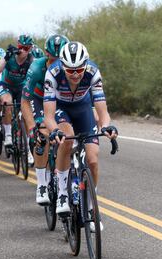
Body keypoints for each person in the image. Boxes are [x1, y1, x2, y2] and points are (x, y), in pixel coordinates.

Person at [43, 42, 118, 221]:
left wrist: (106, 126)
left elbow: (102, 110)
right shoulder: (52, 74)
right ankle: (62, 194)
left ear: (86, 64)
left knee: (92, 159)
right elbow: (48, 116)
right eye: (70, 71)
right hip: (61, 109)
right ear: (62, 66)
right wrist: (54, 131)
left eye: (79, 69)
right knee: (67, 140)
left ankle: (92, 208)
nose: (75, 74)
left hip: (83, 109)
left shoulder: (93, 72)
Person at [21, 34, 69, 204]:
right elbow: (25, 101)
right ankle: (41, 183)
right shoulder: (36, 67)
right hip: (38, 101)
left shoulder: (69, 67)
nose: (56, 62)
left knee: (67, 134)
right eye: (53, 58)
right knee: (43, 135)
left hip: (59, 102)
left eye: (60, 59)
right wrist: (32, 127)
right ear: (46, 55)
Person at [0, 34, 35, 164]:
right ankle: (8, 136)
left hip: (21, 87)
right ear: (18, 46)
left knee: (26, 115)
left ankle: (28, 149)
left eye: (26, 48)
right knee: (7, 103)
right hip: (7, 85)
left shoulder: (31, 60)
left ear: (30, 49)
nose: (23, 51)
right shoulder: (10, 57)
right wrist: (6, 58)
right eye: (21, 47)